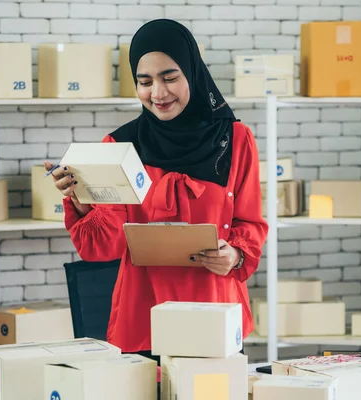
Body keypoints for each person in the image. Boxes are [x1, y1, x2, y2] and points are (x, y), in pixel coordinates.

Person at [45, 19, 268, 362]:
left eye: (170, 77)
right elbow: (103, 248)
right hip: (142, 316)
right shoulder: (118, 146)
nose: (158, 93)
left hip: (215, 313)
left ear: (192, 72)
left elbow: (250, 224)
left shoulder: (235, 141)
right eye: (145, 82)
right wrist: (82, 201)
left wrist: (235, 255)